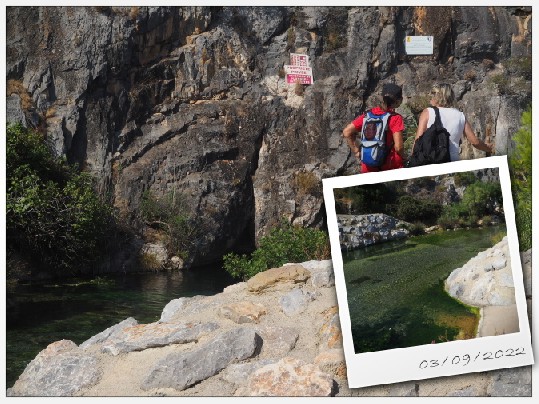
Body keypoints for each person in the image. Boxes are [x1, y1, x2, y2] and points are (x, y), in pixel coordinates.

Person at [413, 83, 493, 161]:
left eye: (432, 95)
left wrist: (413, 159)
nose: (430, 99)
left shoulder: (428, 112)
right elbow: (475, 142)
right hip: (452, 160)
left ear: (437, 97)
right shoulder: (460, 115)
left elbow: (418, 140)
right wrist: (488, 148)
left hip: (430, 159)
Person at [343, 83, 405, 173]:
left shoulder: (368, 115)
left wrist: (356, 151)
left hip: (368, 167)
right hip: (390, 166)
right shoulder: (395, 118)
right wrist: (404, 157)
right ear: (398, 100)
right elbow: (399, 147)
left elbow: (346, 132)